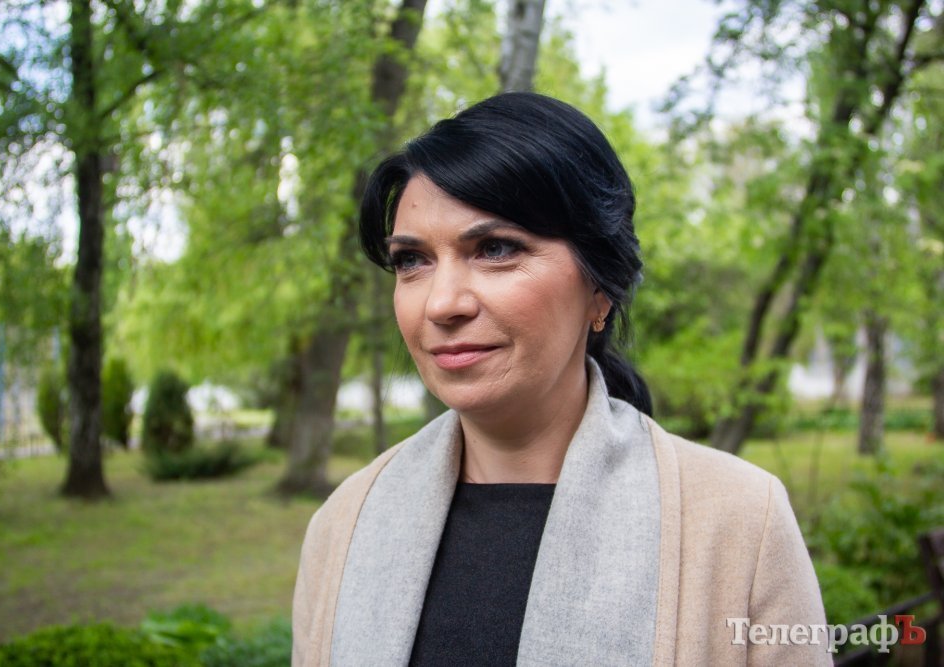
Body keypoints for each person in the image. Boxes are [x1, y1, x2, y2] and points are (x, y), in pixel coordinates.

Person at [292, 92, 831, 666]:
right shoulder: (345, 524)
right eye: (412, 261)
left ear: (600, 289)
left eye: (496, 249)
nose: (441, 303)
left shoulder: (738, 524)